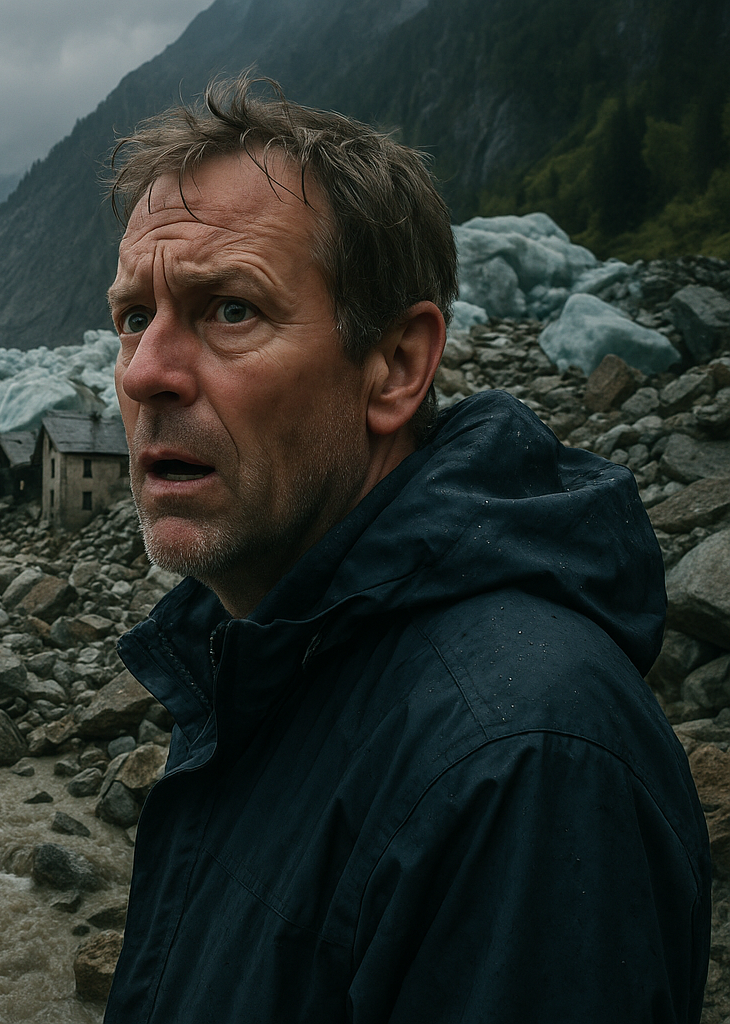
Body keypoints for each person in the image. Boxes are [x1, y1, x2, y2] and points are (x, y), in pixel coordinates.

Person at [102, 75, 710, 1022]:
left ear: (395, 366)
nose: (146, 372)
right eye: (135, 316)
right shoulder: (264, 650)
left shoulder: (523, 765)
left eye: (230, 309)